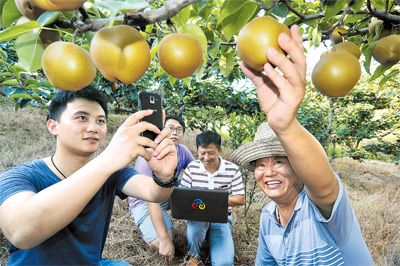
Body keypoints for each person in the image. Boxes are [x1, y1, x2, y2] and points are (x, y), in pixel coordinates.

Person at [230, 24, 373, 265]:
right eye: (260, 164)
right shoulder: (268, 219)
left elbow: (325, 187)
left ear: (297, 165)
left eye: (278, 161)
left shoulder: (321, 207)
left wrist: (286, 126)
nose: (269, 172)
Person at [0, 86, 178, 265]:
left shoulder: (112, 172)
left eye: (100, 121)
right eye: (82, 118)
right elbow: (20, 232)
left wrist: (164, 175)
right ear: (53, 126)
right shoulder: (18, 176)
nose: (94, 128)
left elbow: (155, 193)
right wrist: (107, 160)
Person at [128, 115, 195, 261]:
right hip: (145, 201)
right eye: (170, 128)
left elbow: (197, 172)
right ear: (161, 130)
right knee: (162, 244)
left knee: (191, 185)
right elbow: (152, 200)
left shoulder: (182, 150)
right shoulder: (150, 154)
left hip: (167, 192)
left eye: (179, 129)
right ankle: (147, 233)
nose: (175, 132)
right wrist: (164, 239)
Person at [180, 131, 245, 266]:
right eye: (202, 153)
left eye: (211, 153)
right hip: (197, 215)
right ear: (197, 150)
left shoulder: (232, 170)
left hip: (221, 218)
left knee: (225, 263)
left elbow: (240, 199)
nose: (206, 157)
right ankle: (193, 256)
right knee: (195, 228)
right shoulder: (192, 168)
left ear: (220, 150)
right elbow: (182, 194)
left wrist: (214, 200)